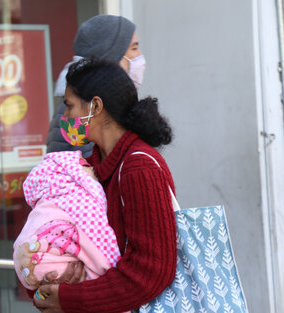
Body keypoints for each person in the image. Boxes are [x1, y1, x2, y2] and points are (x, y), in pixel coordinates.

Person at [33, 58, 177, 313]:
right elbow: (49, 240)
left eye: (69, 106)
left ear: (95, 106)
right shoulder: (85, 169)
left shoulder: (139, 169)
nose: (64, 117)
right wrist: (48, 287)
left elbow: (152, 273)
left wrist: (71, 299)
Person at [13, 150, 122, 293]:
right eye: (92, 171)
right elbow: (99, 241)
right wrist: (110, 269)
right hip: (55, 269)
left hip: (28, 266)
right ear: (78, 176)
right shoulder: (79, 203)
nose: (96, 174)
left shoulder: (45, 199)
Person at [47, 14, 145, 158]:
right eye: (134, 48)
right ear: (113, 56)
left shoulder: (90, 99)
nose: (139, 55)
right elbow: (91, 171)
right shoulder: (84, 106)